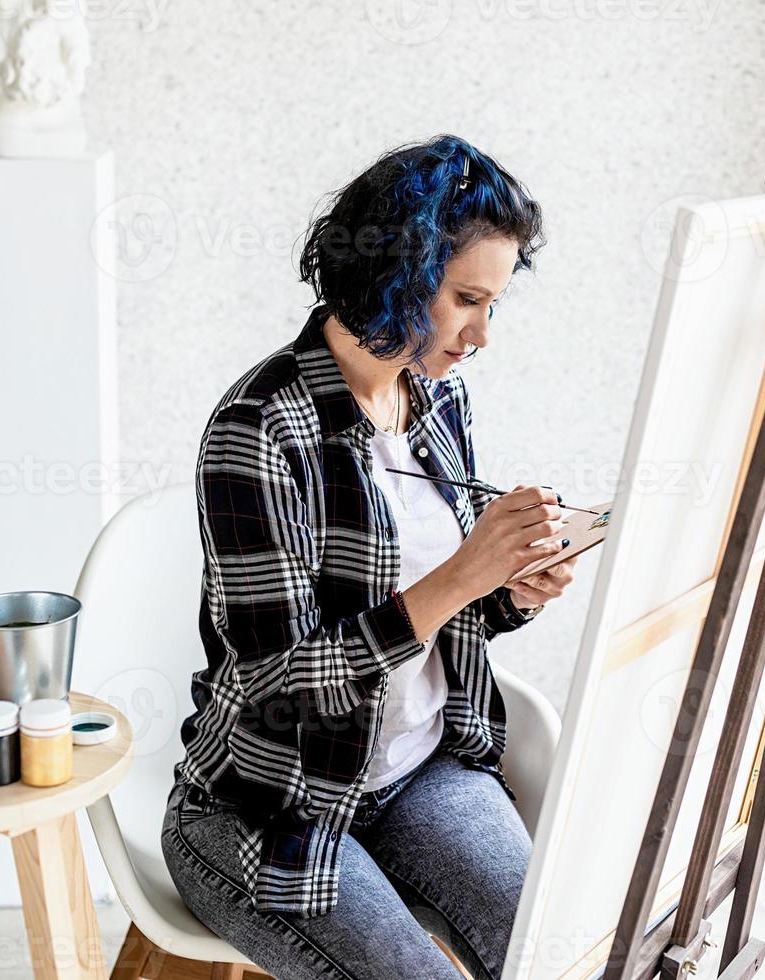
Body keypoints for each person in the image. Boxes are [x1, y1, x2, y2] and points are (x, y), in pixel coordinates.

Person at [161, 134, 579, 980]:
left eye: (493, 304)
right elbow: (279, 678)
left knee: (565, 955)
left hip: (421, 776)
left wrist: (511, 589)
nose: (480, 335)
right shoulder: (259, 429)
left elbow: (444, 614)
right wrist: (464, 572)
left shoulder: (436, 402)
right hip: (272, 806)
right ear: (398, 269)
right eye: (467, 298)